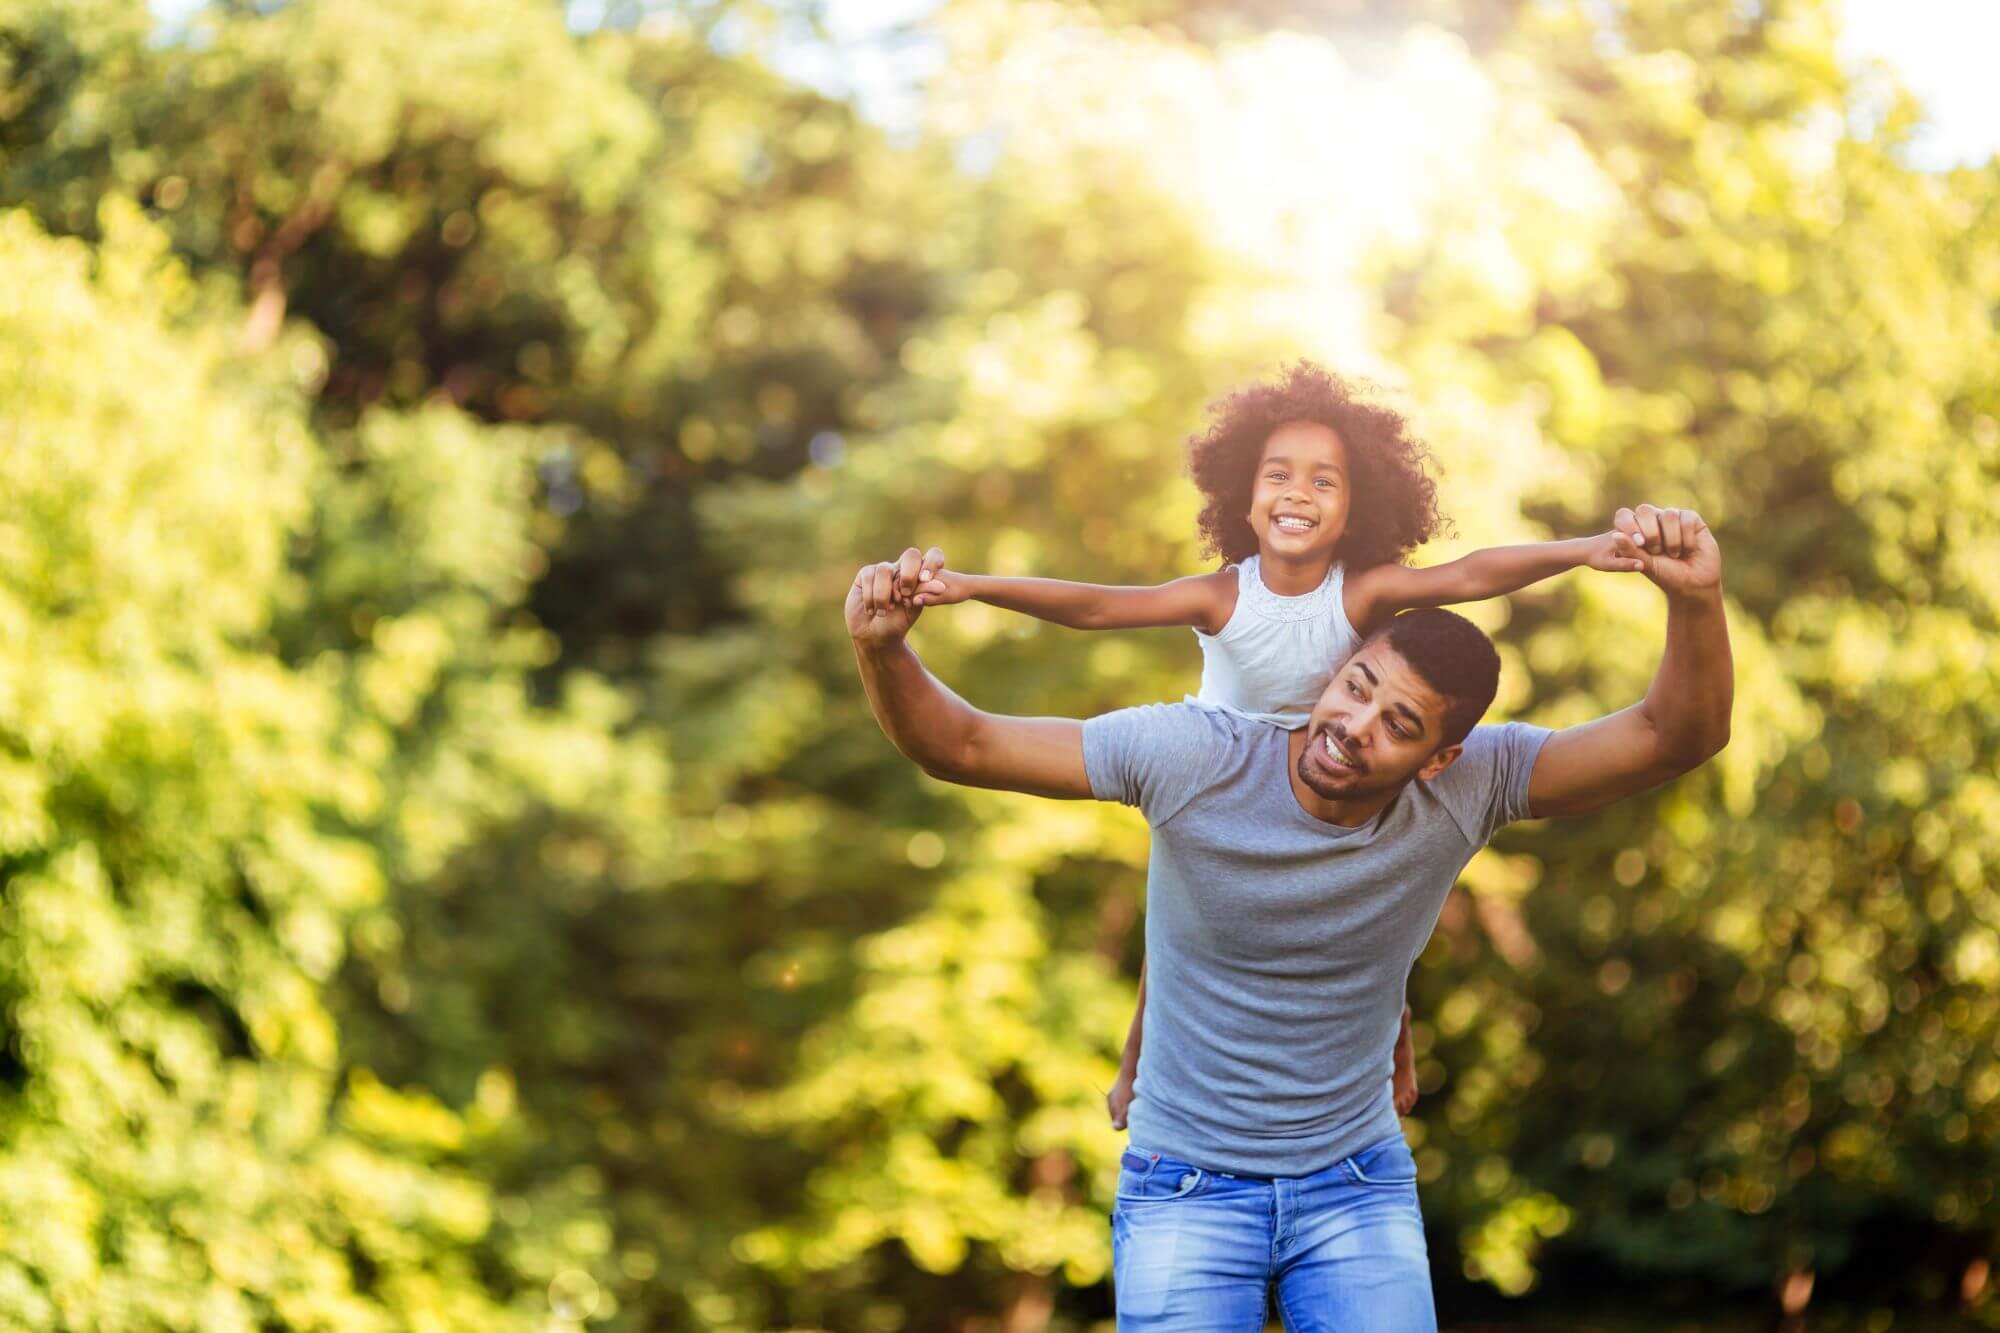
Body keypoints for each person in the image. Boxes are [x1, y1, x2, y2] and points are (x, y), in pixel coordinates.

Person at [848, 503, 1731, 1330]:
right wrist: (885, 651)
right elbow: (962, 743)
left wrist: (1696, 599)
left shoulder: (1475, 785)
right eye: (1356, 686)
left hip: (1356, 1184)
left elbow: (1674, 735)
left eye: (1399, 723)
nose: (1352, 725)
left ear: (1439, 758)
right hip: (1183, 1185)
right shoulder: (1194, 755)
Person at [905, 363, 1645, 1124]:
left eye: (1325, 481)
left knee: (1363, 923)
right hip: (1221, 772)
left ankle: (1395, 1043)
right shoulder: (1221, 594)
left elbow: (1473, 573)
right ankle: (1135, 1070)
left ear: (1355, 509)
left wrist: (1584, 550)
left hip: (1325, 764)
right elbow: (1096, 607)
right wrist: (969, 585)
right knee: (1178, 925)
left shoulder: (1363, 591)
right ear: (1245, 497)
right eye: (1278, 475)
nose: (1298, 493)